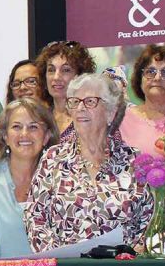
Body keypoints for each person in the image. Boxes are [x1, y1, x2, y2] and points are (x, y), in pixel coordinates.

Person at [25, 73, 153, 252]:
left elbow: (148, 219)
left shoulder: (133, 160)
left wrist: (131, 255)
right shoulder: (53, 159)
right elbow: (35, 219)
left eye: (90, 101)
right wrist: (62, 260)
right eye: (75, 102)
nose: (80, 108)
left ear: (110, 113)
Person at [0, 98, 57, 257]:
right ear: (5, 136)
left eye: (33, 127)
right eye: (16, 127)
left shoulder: (61, 178)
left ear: (46, 137)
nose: (25, 134)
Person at [35, 40, 96, 135]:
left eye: (66, 70)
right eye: (51, 70)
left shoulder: (91, 117)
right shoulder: (39, 120)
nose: (56, 77)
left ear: (80, 76)